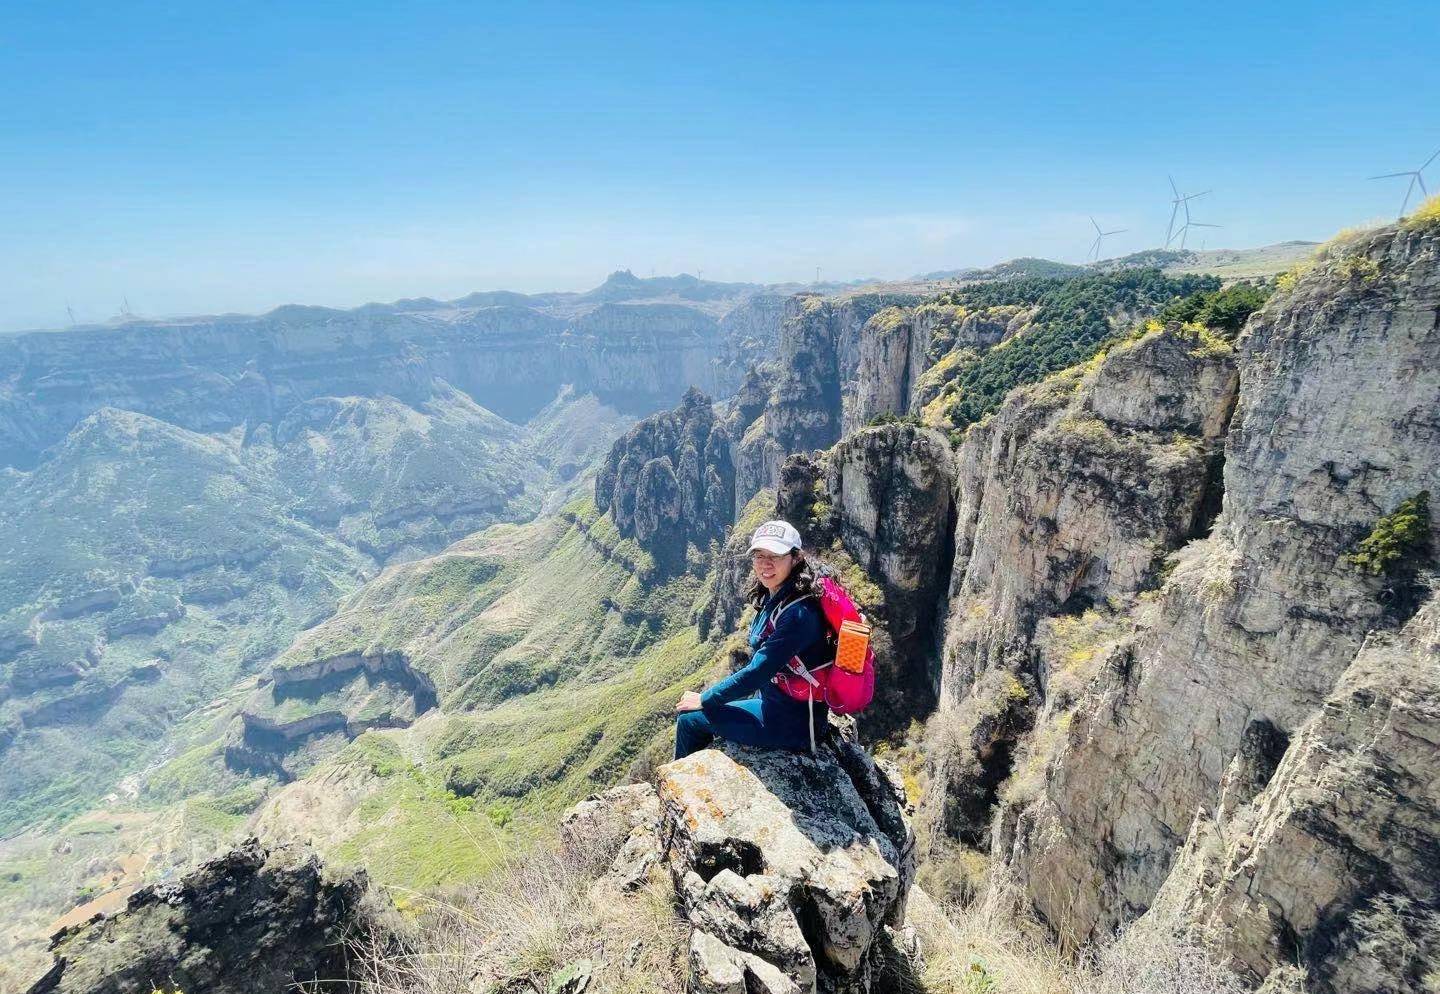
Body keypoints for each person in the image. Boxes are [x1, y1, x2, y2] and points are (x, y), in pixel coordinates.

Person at [674, 519, 832, 760]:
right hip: (775, 704)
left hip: (793, 724)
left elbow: (758, 671)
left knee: (689, 719)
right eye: (759, 555)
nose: (765, 564)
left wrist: (705, 698)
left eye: (775, 556)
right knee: (700, 714)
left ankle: (682, 779)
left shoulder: (798, 614)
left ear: (796, 558)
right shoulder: (780, 595)